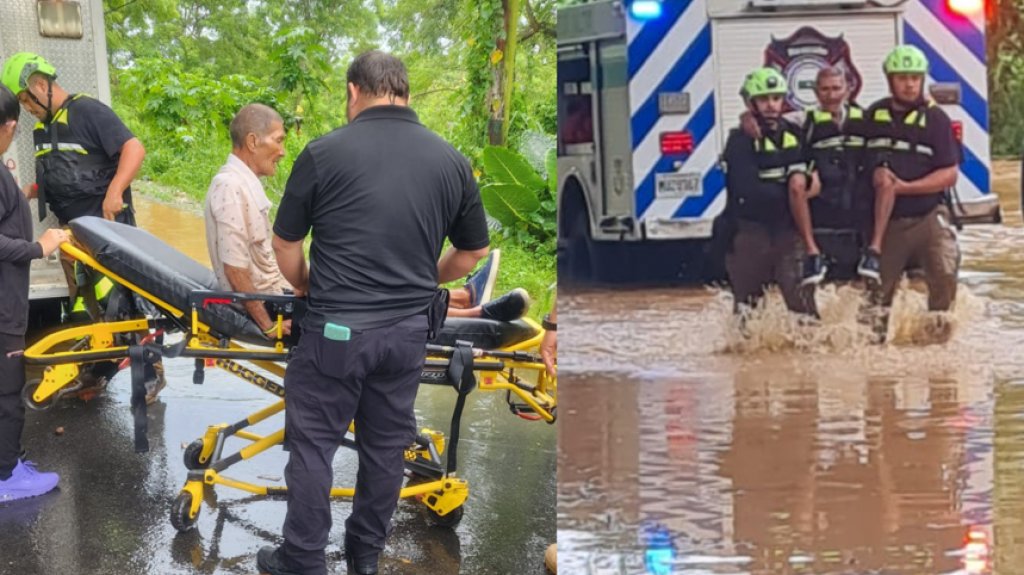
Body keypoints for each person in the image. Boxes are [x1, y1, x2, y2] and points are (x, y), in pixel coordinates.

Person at [256, 50, 491, 575]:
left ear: (353, 92)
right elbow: (473, 253)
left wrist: (306, 285)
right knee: (386, 450)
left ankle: (303, 562)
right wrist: (425, 277)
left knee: (314, 446)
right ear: (403, 92)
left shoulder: (323, 153)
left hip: (336, 331)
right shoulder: (450, 160)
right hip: (408, 333)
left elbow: (285, 244)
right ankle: (364, 560)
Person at [205, 105, 529, 337]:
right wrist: (266, 325)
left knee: (364, 280)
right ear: (251, 141)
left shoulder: (241, 184)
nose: (283, 150)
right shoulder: (230, 186)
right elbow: (235, 268)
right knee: (362, 287)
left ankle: (463, 300)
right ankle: (472, 309)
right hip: (271, 304)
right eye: (278, 140)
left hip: (279, 293)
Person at [1, 52, 165, 401]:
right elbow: (59, 172)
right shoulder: (45, 127)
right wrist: (29, 192)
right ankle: (99, 371)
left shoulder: (87, 111)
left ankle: (151, 373)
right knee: (90, 308)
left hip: (107, 229)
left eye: (27, 100)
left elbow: (134, 148)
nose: (26, 109)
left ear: (41, 85)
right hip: (73, 236)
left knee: (124, 305)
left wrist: (115, 191)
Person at [742, 66, 871, 283]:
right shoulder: (802, 120)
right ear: (816, 93)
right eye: (825, 89)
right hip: (821, 209)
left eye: (836, 88)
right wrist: (746, 117)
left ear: (848, 89)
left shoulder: (867, 119)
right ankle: (813, 256)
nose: (831, 95)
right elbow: (771, 121)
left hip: (859, 209)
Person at [858, 46, 960, 314]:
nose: (910, 84)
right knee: (877, 296)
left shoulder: (936, 118)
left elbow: (949, 174)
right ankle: (873, 349)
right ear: (891, 80)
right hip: (888, 223)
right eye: (902, 78)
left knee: (945, 274)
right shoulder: (872, 116)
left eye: (915, 78)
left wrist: (906, 188)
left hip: (929, 215)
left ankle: (937, 345)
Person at [0, 84, 65, 502]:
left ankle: (6, 461)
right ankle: (6, 478)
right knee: (7, 392)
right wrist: (39, 247)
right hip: (3, 307)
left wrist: (20, 198)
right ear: (7, 126)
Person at [719, 67, 820, 316]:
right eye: (764, 99)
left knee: (804, 308)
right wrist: (793, 192)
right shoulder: (739, 141)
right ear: (750, 103)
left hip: (789, 234)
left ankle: (812, 354)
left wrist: (810, 183)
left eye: (776, 98)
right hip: (750, 234)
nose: (772, 106)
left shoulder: (796, 132)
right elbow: (748, 190)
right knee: (747, 312)